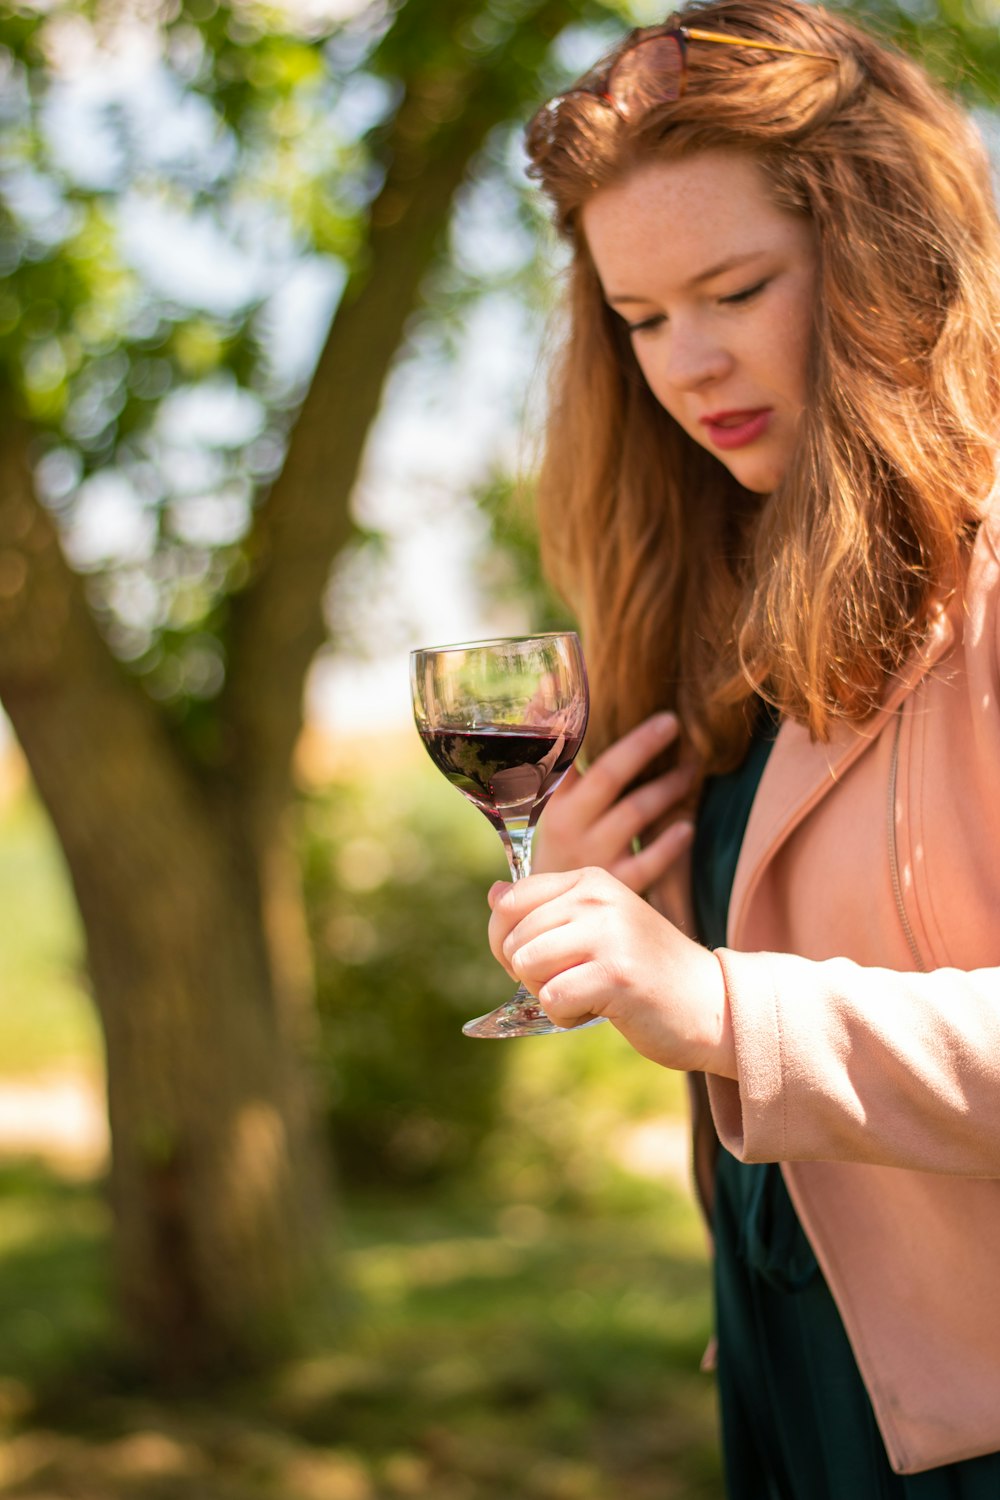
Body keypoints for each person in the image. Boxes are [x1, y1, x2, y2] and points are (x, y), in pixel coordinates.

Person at [485, 2, 1000, 1491]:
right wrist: (598, 914)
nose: (687, 365)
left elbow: (749, 1014)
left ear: (882, 259)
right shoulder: (726, 610)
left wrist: (713, 1002)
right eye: (640, 320)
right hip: (791, 1372)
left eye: (732, 288)